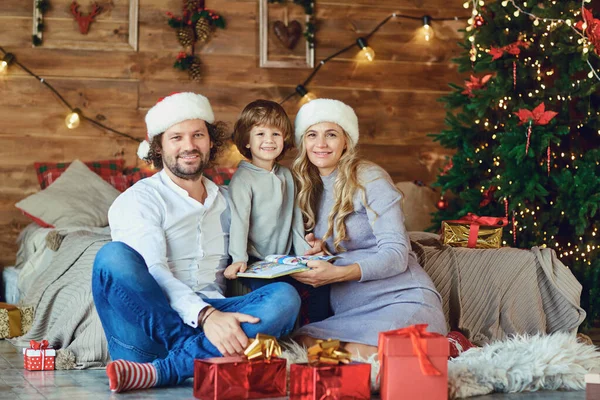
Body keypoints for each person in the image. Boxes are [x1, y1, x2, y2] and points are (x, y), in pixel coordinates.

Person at [91, 92, 301, 393]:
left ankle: (165, 370)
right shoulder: (139, 199)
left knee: (284, 297)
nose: (189, 146)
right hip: (150, 327)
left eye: (197, 135)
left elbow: (260, 248)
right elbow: (154, 270)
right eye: (176, 137)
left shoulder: (227, 201)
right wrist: (206, 316)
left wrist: (308, 246)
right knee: (112, 257)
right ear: (159, 147)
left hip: (216, 316)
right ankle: (191, 353)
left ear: (210, 141)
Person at [290, 98, 448, 358]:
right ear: (303, 142)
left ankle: (430, 351)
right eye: (312, 135)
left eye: (331, 134)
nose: (320, 144)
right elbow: (342, 246)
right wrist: (322, 250)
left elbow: (397, 254)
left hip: (399, 299)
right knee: (304, 344)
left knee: (362, 356)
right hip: (351, 312)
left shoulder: (370, 179)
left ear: (346, 141)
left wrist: (337, 274)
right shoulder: (308, 186)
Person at [224, 99, 331, 324]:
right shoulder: (244, 179)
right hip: (255, 261)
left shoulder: (286, 175)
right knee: (277, 294)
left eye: (275, 134)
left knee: (319, 286)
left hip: (284, 258)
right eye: (260, 134)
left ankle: (317, 333)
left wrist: (304, 254)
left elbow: (293, 217)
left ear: (284, 138)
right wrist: (239, 258)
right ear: (246, 141)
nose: (269, 141)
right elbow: (239, 221)